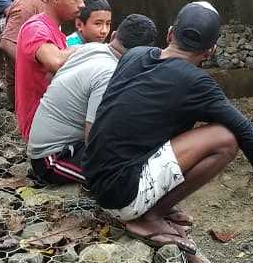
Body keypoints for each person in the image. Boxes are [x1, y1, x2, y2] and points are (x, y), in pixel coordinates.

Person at [82, 1, 253, 263]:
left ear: (170, 33)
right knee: (225, 138)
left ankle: (152, 206)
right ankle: (150, 215)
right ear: (211, 51)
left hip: (94, 178)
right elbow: (244, 130)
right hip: (120, 195)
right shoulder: (197, 82)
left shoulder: (135, 55)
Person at [27, 14, 157, 186]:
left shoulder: (92, 48)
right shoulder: (109, 75)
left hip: (54, 145)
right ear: (142, 55)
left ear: (114, 35)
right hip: (51, 160)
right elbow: (93, 137)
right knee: (129, 174)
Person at [15, 0, 87, 140]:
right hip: (41, 129)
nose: (83, 4)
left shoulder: (56, 32)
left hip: (54, 120)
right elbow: (55, 61)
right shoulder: (36, 28)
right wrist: (93, 49)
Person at [0, 0, 67, 98]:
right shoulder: (27, 2)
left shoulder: (47, 1)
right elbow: (7, 43)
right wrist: (39, 64)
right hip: (28, 91)